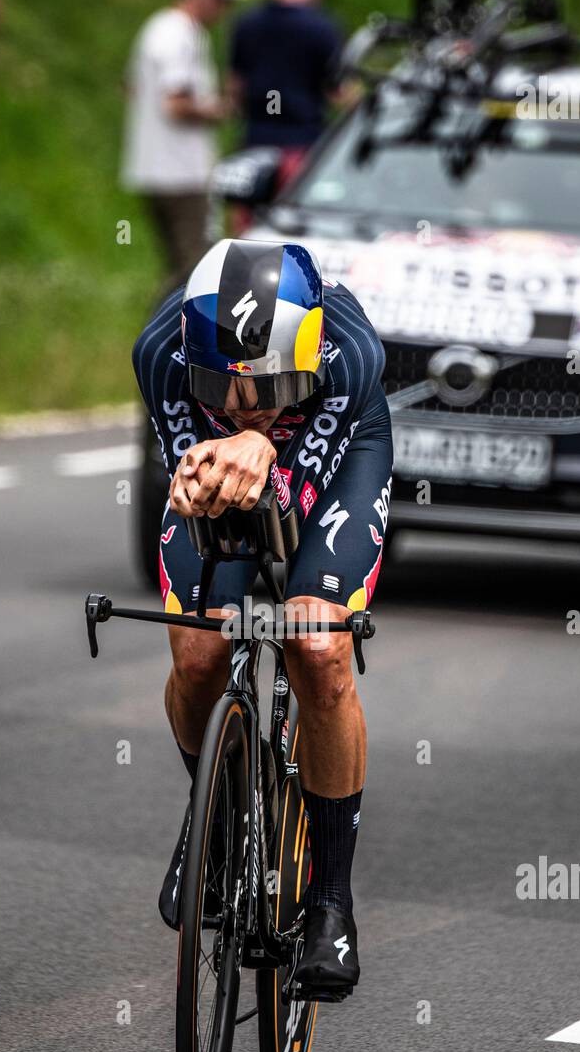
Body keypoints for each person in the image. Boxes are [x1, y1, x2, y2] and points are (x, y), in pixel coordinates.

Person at [132, 238, 393, 997]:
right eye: (221, 385)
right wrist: (227, 452)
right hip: (227, 461)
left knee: (316, 646)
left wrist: (263, 452)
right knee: (199, 651)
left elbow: (290, 508)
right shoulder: (161, 355)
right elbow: (205, 496)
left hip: (339, 454)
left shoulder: (350, 355)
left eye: (267, 384)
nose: (243, 403)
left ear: (304, 355)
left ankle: (331, 904)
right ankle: (212, 822)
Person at [121, 0, 246, 295]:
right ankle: (165, 339)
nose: (222, 9)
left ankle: (165, 337)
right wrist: (223, 108)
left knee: (182, 264)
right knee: (194, 269)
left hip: (158, 166)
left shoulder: (159, 27)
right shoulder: (179, 35)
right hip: (180, 171)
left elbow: (131, 88)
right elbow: (176, 104)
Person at [228, 0, 345, 199]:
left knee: (252, 227)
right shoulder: (322, 27)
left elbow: (235, 86)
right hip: (301, 143)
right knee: (295, 221)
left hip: (255, 142)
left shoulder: (246, 22)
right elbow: (337, 92)